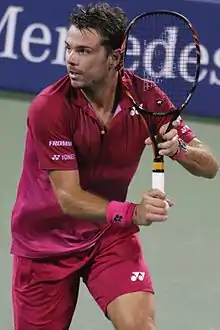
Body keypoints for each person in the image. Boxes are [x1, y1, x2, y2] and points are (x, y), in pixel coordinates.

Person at [11, 3, 219, 330]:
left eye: (83, 50)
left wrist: (178, 148)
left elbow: (209, 165)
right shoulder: (49, 108)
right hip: (44, 244)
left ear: (115, 57)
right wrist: (133, 213)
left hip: (107, 236)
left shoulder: (147, 98)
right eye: (69, 48)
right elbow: (69, 198)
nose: (71, 59)